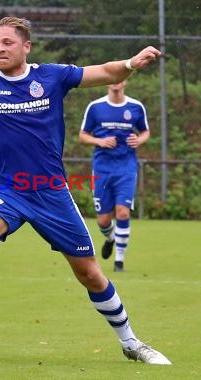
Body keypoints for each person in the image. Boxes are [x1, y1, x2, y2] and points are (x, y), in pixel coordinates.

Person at [0, 17, 171, 365]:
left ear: (26, 46)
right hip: (9, 190)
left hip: (51, 193)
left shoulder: (51, 76)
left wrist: (130, 64)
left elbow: (105, 72)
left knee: (90, 274)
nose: (0, 48)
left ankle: (131, 342)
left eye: (7, 42)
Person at [79, 80, 150, 272]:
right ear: (107, 81)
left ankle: (119, 261)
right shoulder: (95, 107)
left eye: (121, 78)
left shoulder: (135, 107)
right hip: (102, 169)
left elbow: (145, 132)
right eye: (113, 78)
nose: (116, 82)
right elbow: (83, 135)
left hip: (126, 168)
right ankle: (110, 238)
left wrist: (139, 139)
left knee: (123, 212)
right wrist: (99, 141)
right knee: (103, 220)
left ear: (126, 81)